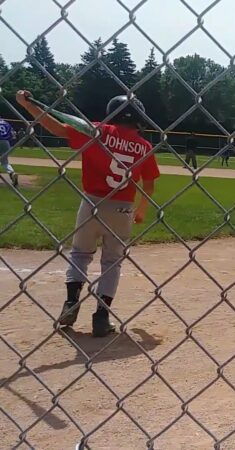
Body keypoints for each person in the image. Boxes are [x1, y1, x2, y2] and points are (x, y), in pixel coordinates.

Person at [16, 90, 160, 337]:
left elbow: (59, 128)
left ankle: (71, 302)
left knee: (80, 254)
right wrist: (141, 210)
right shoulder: (144, 145)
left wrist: (29, 106)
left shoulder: (97, 131)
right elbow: (149, 184)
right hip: (123, 207)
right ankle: (101, 318)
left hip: (92, 202)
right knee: (112, 262)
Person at [0, 118, 19, 187]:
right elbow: (13, 135)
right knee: (5, 162)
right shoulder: (6, 123)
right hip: (6, 142)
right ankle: (12, 173)